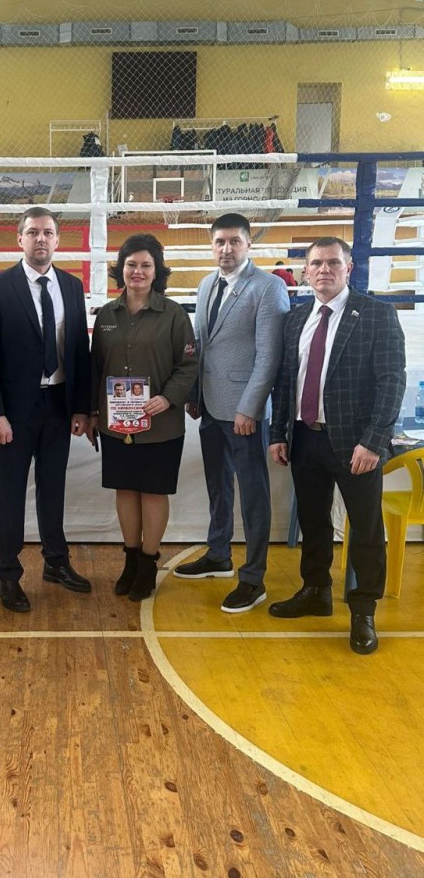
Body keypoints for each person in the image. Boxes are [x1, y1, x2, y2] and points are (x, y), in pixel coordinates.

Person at [268, 237, 405, 655]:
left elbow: (391, 382)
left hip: (356, 445)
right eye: (316, 263)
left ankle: (363, 610)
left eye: (332, 262)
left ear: (349, 268)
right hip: (305, 437)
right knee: (313, 522)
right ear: (305, 272)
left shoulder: (376, 314)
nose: (323, 270)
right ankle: (316, 591)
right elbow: (286, 381)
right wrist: (278, 432)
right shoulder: (296, 318)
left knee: (365, 528)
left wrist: (374, 441)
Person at [0, 206, 92, 612]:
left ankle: (56, 562)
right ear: (19, 239)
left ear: (57, 240)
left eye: (47, 232)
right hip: (13, 411)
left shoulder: (72, 286)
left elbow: (79, 351)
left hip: (58, 403)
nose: (40, 239)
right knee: (9, 493)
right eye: (33, 232)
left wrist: (81, 407)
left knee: (52, 488)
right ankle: (7, 574)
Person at [181, 213, 290, 612]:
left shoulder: (268, 287)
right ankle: (218, 555)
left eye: (234, 241)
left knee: (253, 493)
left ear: (248, 244)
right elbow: (201, 343)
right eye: (219, 242)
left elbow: (269, 356)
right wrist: (194, 393)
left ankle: (253, 578)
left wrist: (251, 407)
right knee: (218, 484)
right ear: (212, 246)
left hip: (245, 411)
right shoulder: (206, 284)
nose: (226, 249)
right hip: (211, 404)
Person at [89, 234, 198, 600]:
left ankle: (149, 563)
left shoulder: (174, 314)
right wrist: (93, 413)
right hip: (116, 424)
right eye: (131, 264)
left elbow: (189, 364)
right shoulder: (107, 315)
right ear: (121, 269)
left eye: (145, 265)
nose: (137, 271)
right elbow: (95, 367)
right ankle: (131, 560)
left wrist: (167, 398)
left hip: (160, 425)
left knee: (152, 492)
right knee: (125, 489)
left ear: (157, 271)